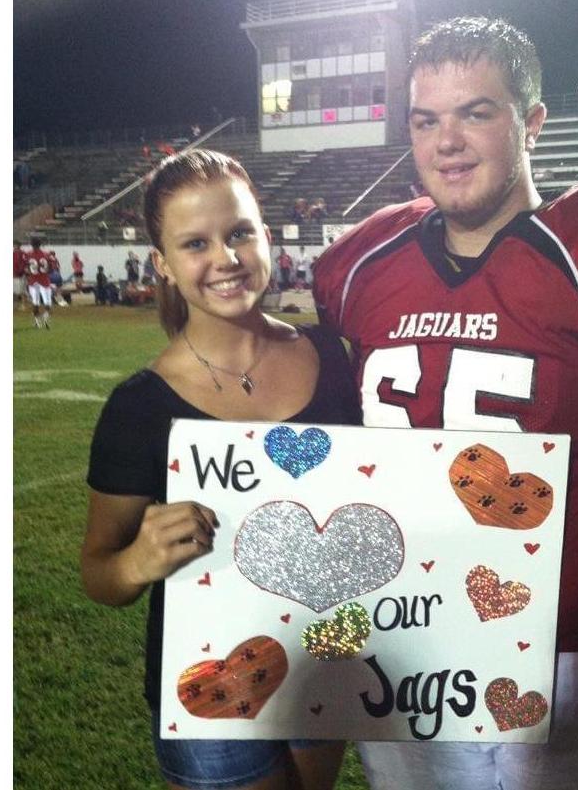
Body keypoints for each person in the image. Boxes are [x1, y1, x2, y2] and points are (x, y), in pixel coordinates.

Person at [313, 16, 578, 790]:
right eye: (425, 120)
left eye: (476, 112)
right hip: (410, 643)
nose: (447, 141)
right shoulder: (364, 262)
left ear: (531, 122)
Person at [81, 149, 360, 790]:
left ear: (266, 235)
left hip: (323, 653)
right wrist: (136, 563)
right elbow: (99, 572)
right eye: (195, 243)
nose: (226, 259)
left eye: (239, 233)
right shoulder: (139, 405)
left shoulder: (331, 355)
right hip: (209, 682)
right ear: (165, 265)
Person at [24, 236, 55, 329]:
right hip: (44, 280)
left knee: (35, 303)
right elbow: (51, 269)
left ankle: (37, 323)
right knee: (48, 303)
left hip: (33, 281)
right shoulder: (46, 254)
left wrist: (29, 272)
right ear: (40, 244)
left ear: (31, 244)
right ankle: (45, 318)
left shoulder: (28, 254)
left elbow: (26, 268)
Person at [13, 240, 28, 308]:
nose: (14, 246)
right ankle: (14, 304)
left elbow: (25, 263)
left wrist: (22, 271)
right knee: (14, 290)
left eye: (15, 245)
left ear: (19, 245)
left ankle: (23, 304)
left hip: (21, 274)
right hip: (14, 274)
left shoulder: (23, 253)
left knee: (22, 290)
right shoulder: (13, 253)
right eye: (14, 245)